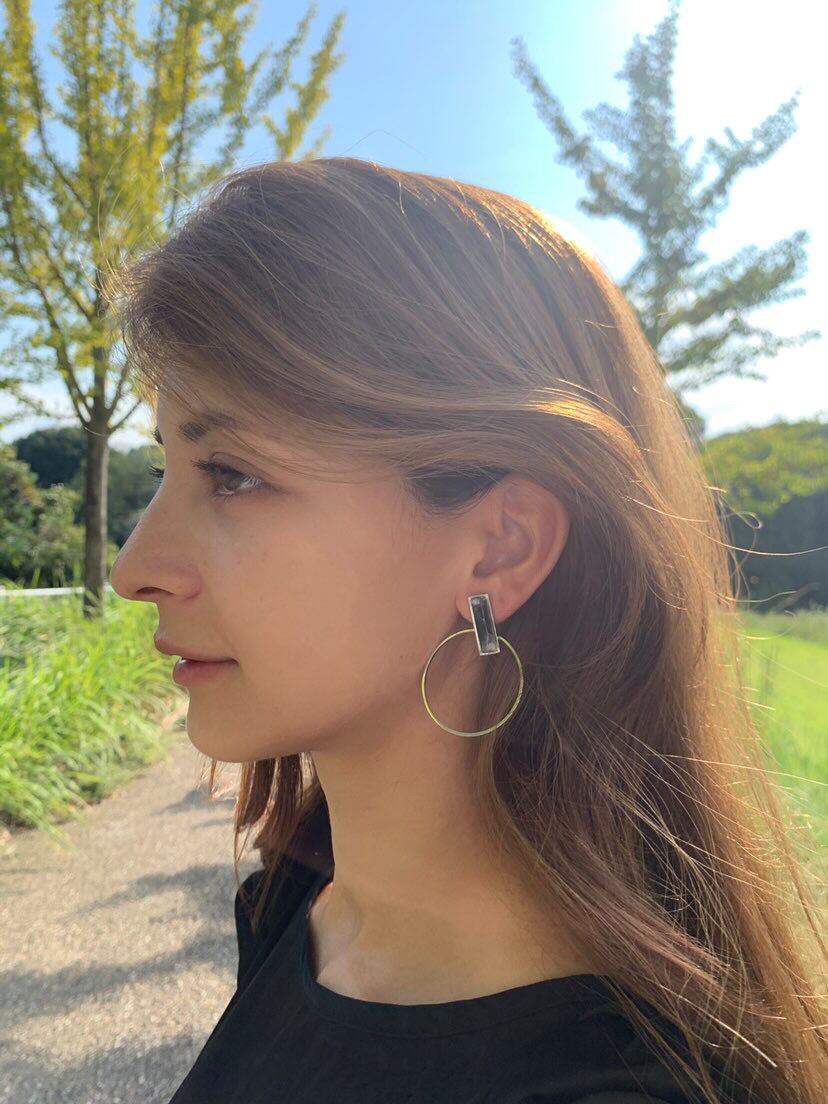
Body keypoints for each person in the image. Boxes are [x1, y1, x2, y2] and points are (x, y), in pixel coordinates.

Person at [107, 157, 826, 1104]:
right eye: (162, 471)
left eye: (232, 475)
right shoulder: (297, 904)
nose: (133, 569)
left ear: (500, 548)